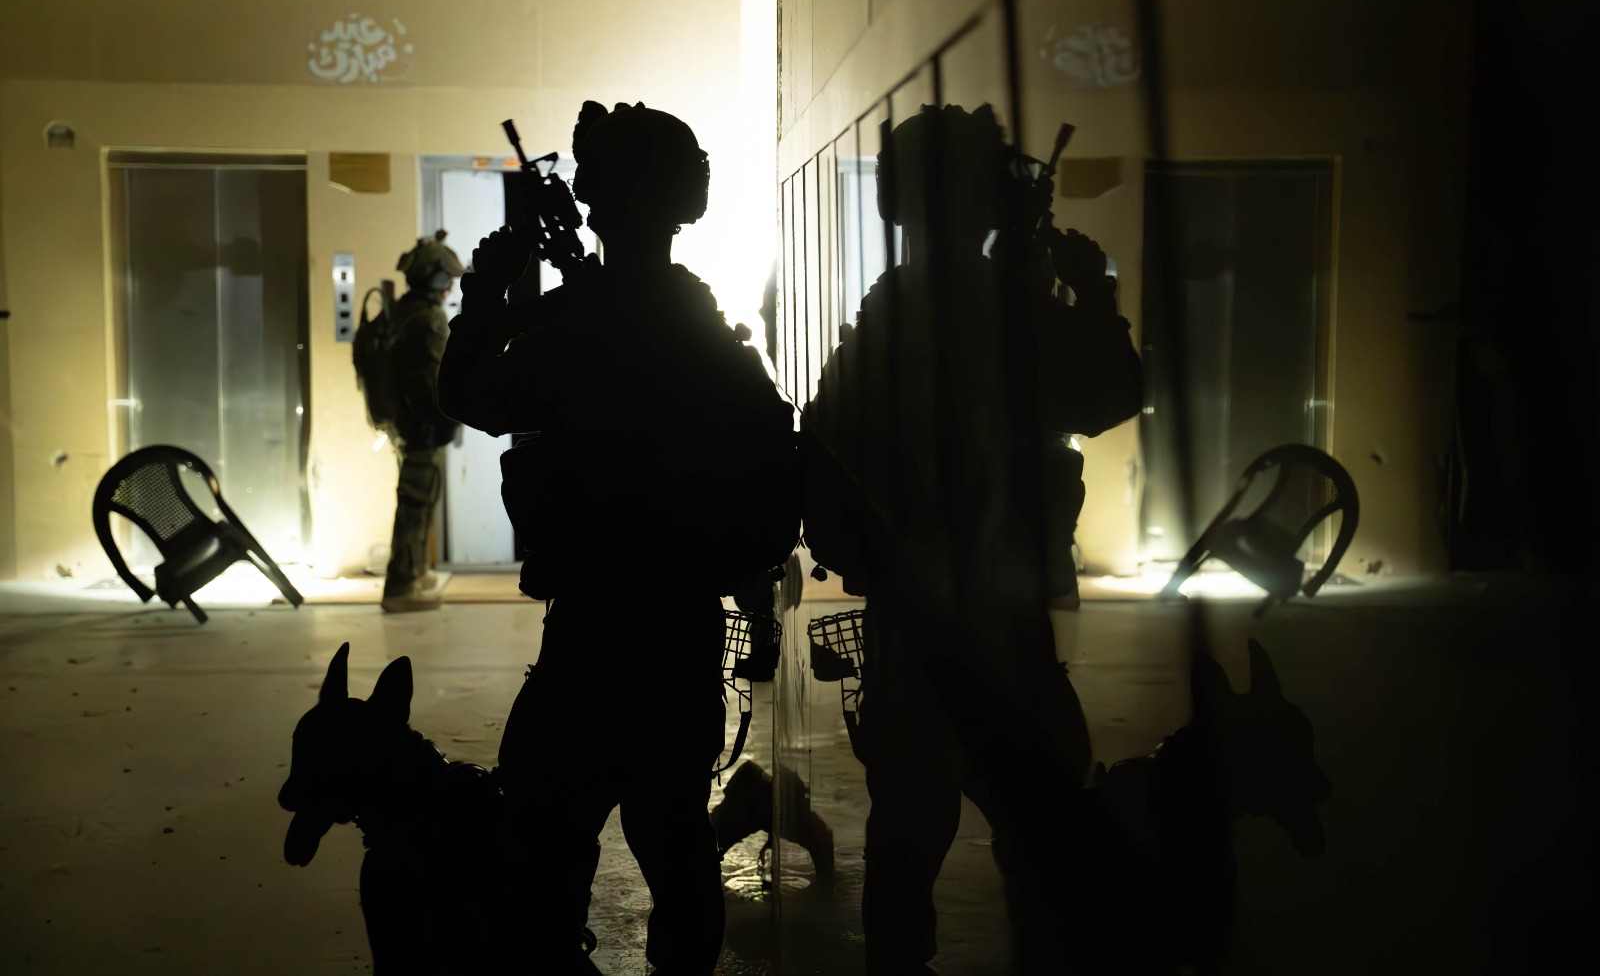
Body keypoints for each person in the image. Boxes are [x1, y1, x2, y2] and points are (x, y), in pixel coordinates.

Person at [438, 101, 796, 975]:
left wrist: (488, 293)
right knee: (674, 842)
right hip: (679, 629)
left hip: (594, 629)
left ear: (599, 202)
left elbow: (470, 395)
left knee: (544, 844)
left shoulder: (576, 324)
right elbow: (764, 472)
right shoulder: (704, 331)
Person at [804, 103, 1158, 974]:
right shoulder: (1015, 310)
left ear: (897, 206)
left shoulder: (886, 319)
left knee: (905, 845)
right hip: (1005, 621)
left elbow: (827, 463)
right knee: (1043, 844)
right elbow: (1112, 396)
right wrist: (1092, 295)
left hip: (912, 625)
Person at [381, 232, 463, 614]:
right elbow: (435, 381)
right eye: (447, 279)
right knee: (415, 502)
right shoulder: (427, 320)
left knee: (419, 498)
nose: (450, 287)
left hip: (407, 426)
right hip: (422, 429)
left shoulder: (402, 312)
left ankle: (414, 571)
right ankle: (400, 584)